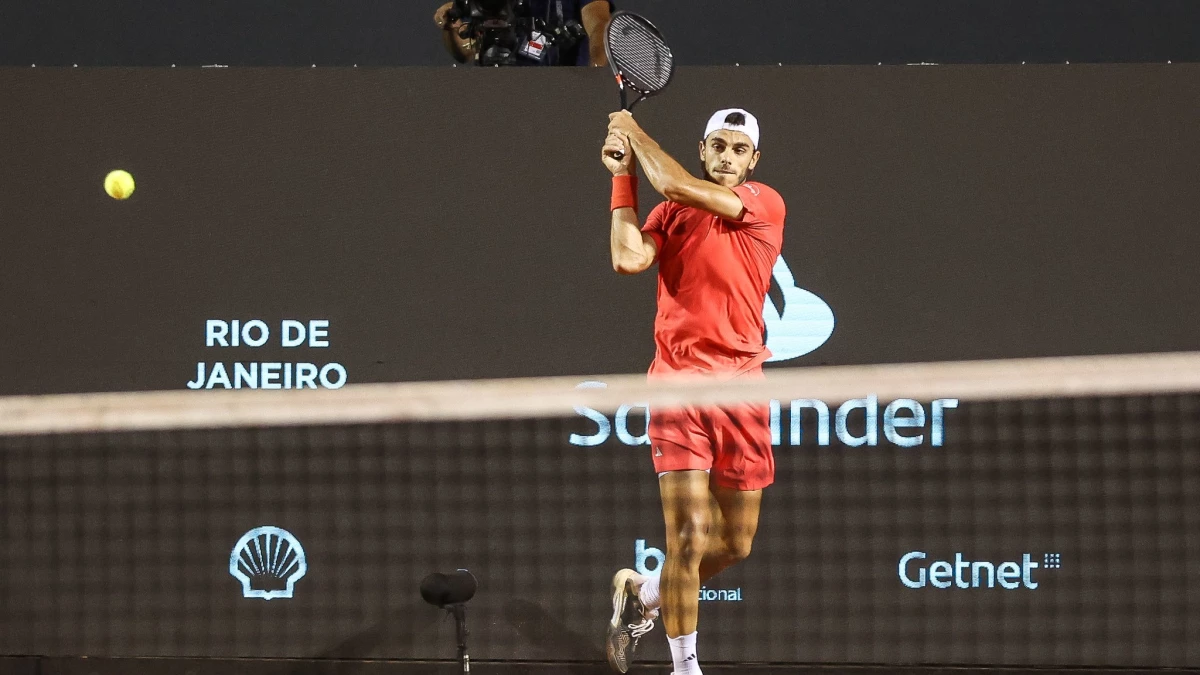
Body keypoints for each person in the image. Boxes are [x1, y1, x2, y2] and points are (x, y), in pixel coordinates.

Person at [600, 108, 786, 675]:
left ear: (752, 161)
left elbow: (677, 180)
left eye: (738, 150)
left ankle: (646, 593)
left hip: (741, 390)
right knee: (688, 535)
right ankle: (685, 669)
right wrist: (621, 177)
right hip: (678, 387)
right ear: (703, 149)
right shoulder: (669, 212)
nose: (727, 157)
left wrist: (633, 132)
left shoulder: (764, 204)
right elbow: (628, 257)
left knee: (735, 544)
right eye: (717, 147)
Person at [433, 0, 613, 66]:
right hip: (502, 90)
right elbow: (464, 53)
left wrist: (597, 70)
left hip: (566, 88)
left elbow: (599, 24)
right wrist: (451, 25)